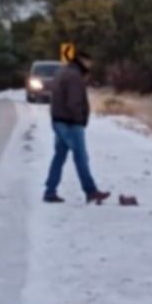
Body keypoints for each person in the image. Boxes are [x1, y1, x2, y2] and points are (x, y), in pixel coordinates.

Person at [44, 51, 111, 205]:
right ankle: (91, 191)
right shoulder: (74, 77)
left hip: (59, 120)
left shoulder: (61, 71)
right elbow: (74, 102)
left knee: (59, 157)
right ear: (82, 62)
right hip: (71, 123)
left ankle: (50, 190)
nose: (91, 67)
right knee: (81, 157)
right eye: (89, 63)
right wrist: (80, 119)